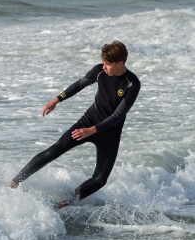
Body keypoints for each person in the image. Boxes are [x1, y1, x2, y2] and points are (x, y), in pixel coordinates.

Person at [9, 40, 140, 208]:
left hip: (109, 132)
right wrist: (56, 100)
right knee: (54, 150)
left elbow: (118, 115)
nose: (104, 67)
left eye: (108, 64)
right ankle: (13, 183)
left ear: (120, 63)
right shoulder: (99, 71)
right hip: (89, 120)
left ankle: (63, 203)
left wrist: (92, 131)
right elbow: (80, 84)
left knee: (100, 179)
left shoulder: (132, 83)